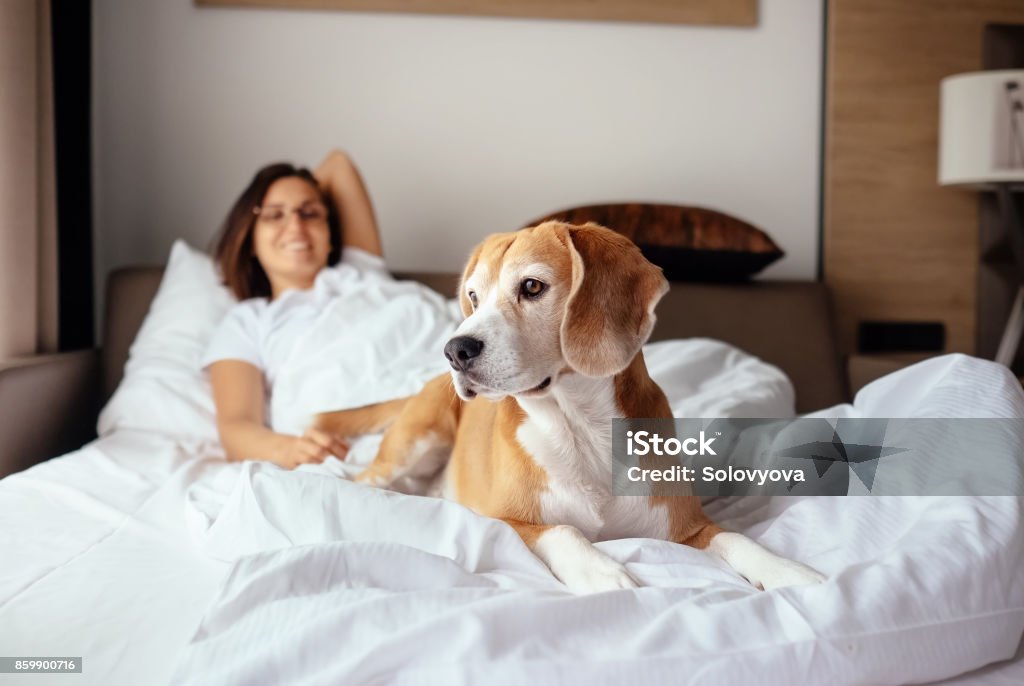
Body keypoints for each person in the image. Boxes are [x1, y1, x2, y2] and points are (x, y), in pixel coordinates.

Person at [202, 150, 384, 469]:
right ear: (250, 239)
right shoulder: (248, 321)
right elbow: (236, 427)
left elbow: (338, 164)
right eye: (274, 216)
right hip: (352, 440)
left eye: (309, 213)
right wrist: (289, 449)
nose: (295, 225)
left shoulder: (362, 273)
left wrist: (294, 190)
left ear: (330, 235)